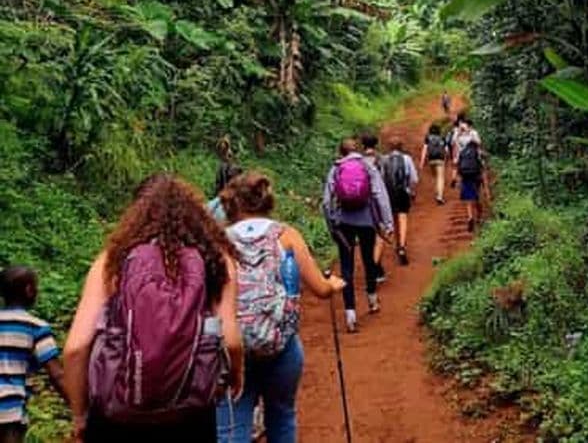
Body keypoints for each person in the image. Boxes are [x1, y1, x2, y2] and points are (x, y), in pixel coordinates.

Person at [63, 174, 243, 443]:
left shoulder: (112, 262)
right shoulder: (215, 260)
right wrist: (236, 375)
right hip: (189, 414)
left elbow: (75, 348)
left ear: (134, 214)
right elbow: (230, 341)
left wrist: (80, 415)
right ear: (195, 216)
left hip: (116, 416)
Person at [216, 171, 346, 443]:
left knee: (232, 427)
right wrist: (332, 284)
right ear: (266, 201)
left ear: (232, 203)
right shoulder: (286, 235)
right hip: (281, 347)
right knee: (282, 416)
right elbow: (320, 290)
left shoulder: (218, 241)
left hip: (232, 347)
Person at [323, 138, 393, 333]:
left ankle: (350, 314)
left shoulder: (335, 169)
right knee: (368, 259)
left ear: (341, 152)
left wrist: (332, 226)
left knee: (346, 267)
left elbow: (327, 202)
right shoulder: (367, 166)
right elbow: (380, 195)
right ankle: (371, 299)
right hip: (367, 221)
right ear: (358, 150)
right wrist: (387, 223)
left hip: (343, 222)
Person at [0, 267, 66, 443]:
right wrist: (78, 406)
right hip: (9, 409)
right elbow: (57, 374)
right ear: (29, 290)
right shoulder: (35, 327)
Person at [380, 139, 418, 265]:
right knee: (403, 218)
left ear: (389, 147)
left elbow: (380, 178)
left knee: (393, 219)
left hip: (389, 194)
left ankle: (396, 244)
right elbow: (414, 179)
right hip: (402, 192)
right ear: (401, 146)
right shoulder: (407, 159)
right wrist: (412, 192)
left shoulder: (383, 159)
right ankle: (401, 246)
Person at [360, 133, 388, 284]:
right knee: (380, 236)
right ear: (376, 144)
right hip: (377, 201)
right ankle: (374, 267)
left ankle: (375, 267)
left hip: (361, 203)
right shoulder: (381, 159)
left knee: (367, 237)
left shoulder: (359, 160)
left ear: (363, 144)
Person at [451, 117, 484, 232]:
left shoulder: (458, 136)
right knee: (476, 192)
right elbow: (479, 146)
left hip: (464, 169)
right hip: (475, 168)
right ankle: (478, 215)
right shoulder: (473, 133)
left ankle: (471, 217)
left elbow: (454, 150)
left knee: (468, 194)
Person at [420, 123, 447, 205]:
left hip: (431, 160)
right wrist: (446, 159)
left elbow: (424, 150)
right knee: (440, 178)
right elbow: (446, 150)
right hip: (440, 159)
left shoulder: (428, 138)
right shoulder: (442, 138)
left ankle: (437, 192)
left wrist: (422, 162)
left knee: (435, 177)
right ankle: (440, 196)